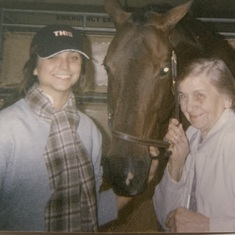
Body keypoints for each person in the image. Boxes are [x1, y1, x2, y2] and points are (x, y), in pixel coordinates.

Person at [0, 24, 158, 232]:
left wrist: (143, 179)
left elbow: (92, 210)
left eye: (73, 57)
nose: (64, 66)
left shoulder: (89, 130)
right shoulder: (7, 127)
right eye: (53, 57)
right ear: (35, 68)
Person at [153, 58, 235, 232]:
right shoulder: (192, 135)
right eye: (183, 96)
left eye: (199, 95)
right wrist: (177, 164)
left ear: (227, 99)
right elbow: (164, 218)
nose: (188, 107)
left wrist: (207, 226)